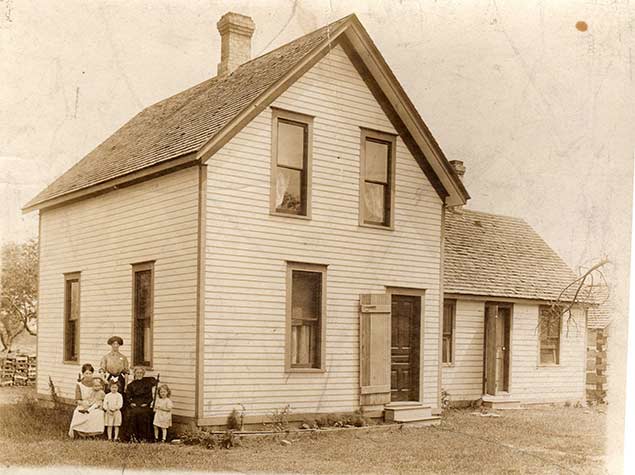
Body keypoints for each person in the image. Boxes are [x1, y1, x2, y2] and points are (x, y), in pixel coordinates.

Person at [68, 364, 105, 438]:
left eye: (90, 373)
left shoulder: (96, 383)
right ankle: (81, 433)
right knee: (78, 412)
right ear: (83, 374)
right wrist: (82, 403)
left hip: (95, 403)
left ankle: (93, 434)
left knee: (98, 413)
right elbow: (77, 399)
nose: (88, 375)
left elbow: (101, 395)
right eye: (86, 373)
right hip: (84, 403)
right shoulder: (79, 384)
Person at [125, 367, 157, 442]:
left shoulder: (147, 384)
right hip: (135, 403)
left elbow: (150, 397)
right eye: (137, 373)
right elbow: (128, 396)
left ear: (143, 374)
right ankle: (133, 436)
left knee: (144, 413)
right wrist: (131, 402)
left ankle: (144, 437)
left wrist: (146, 403)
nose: (139, 374)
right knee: (133, 413)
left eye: (141, 373)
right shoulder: (131, 385)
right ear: (135, 373)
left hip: (144, 403)